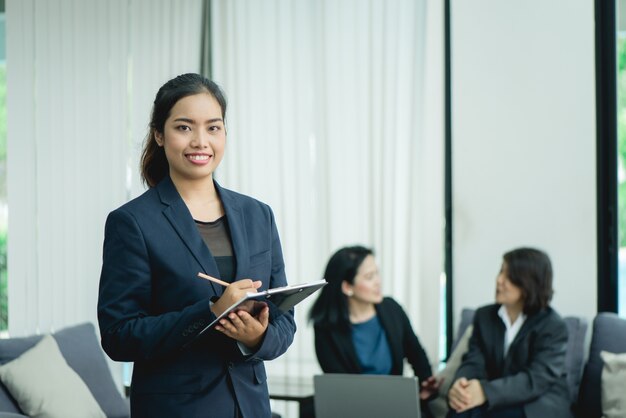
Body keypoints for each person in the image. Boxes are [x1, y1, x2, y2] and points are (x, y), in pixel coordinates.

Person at [97, 73, 296, 418]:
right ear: (159, 134)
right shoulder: (133, 222)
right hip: (176, 408)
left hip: (251, 407)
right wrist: (210, 312)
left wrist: (256, 338)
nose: (200, 141)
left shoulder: (257, 215)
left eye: (213, 128)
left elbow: (284, 319)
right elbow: (119, 336)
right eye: (184, 127)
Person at [308, 245, 441, 412]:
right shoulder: (326, 328)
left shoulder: (392, 309)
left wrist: (425, 384)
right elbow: (340, 385)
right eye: (370, 277)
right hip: (354, 410)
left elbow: (416, 353)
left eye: (377, 273)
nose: (378, 282)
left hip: (397, 405)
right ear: (347, 287)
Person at [446, 247, 572, 418]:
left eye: (509, 276)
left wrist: (485, 391)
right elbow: (473, 361)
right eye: (500, 272)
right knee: (459, 410)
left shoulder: (553, 326)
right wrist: (461, 385)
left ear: (529, 283)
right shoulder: (484, 316)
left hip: (537, 405)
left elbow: (535, 379)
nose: (499, 280)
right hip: (498, 399)